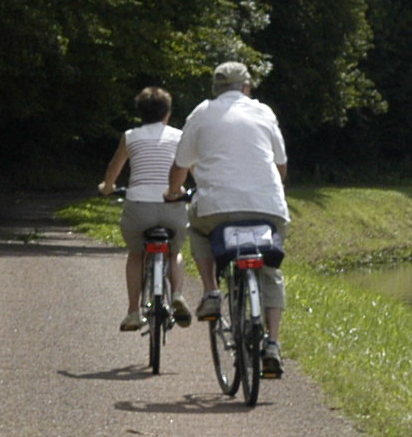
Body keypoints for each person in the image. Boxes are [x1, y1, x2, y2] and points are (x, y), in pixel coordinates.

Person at [166, 60, 292, 376]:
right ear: (246, 86)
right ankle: (273, 344)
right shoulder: (264, 112)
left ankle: (210, 290)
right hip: (267, 207)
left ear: (215, 88)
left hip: (217, 208)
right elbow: (281, 167)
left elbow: (181, 165)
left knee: (198, 227)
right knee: (270, 270)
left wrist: (173, 191)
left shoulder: (200, 113)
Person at [96, 87, 192, 332]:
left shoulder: (130, 136)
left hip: (139, 207)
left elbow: (114, 168)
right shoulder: (180, 137)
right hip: (171, 204)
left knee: (137, 254)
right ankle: (178, 294)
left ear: (140, 114)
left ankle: (133, 311)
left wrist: (107, 187)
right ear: (167, 114)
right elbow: (193, 169)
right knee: (174, 251)